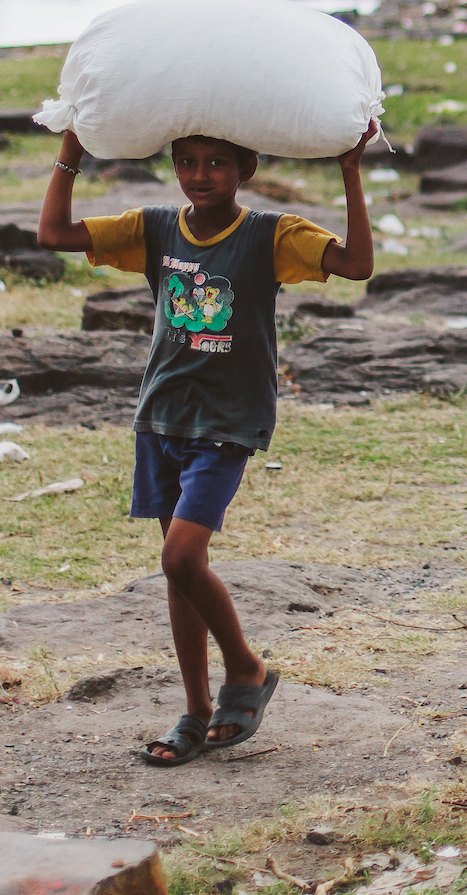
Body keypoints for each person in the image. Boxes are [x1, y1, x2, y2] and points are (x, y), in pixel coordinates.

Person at [37, 124, 376, 766]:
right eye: (188, 162)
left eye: (217, 163)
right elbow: (54, 236)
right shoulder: (157, 228)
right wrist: (71, 155)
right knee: (179, 572)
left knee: (180, 559)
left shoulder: (272, 235)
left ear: (246, 167)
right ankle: (193, 711)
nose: (200, 174)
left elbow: (357, 265)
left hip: (226, 424)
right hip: (163, 417)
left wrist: (350, 172)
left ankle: (246, 668)